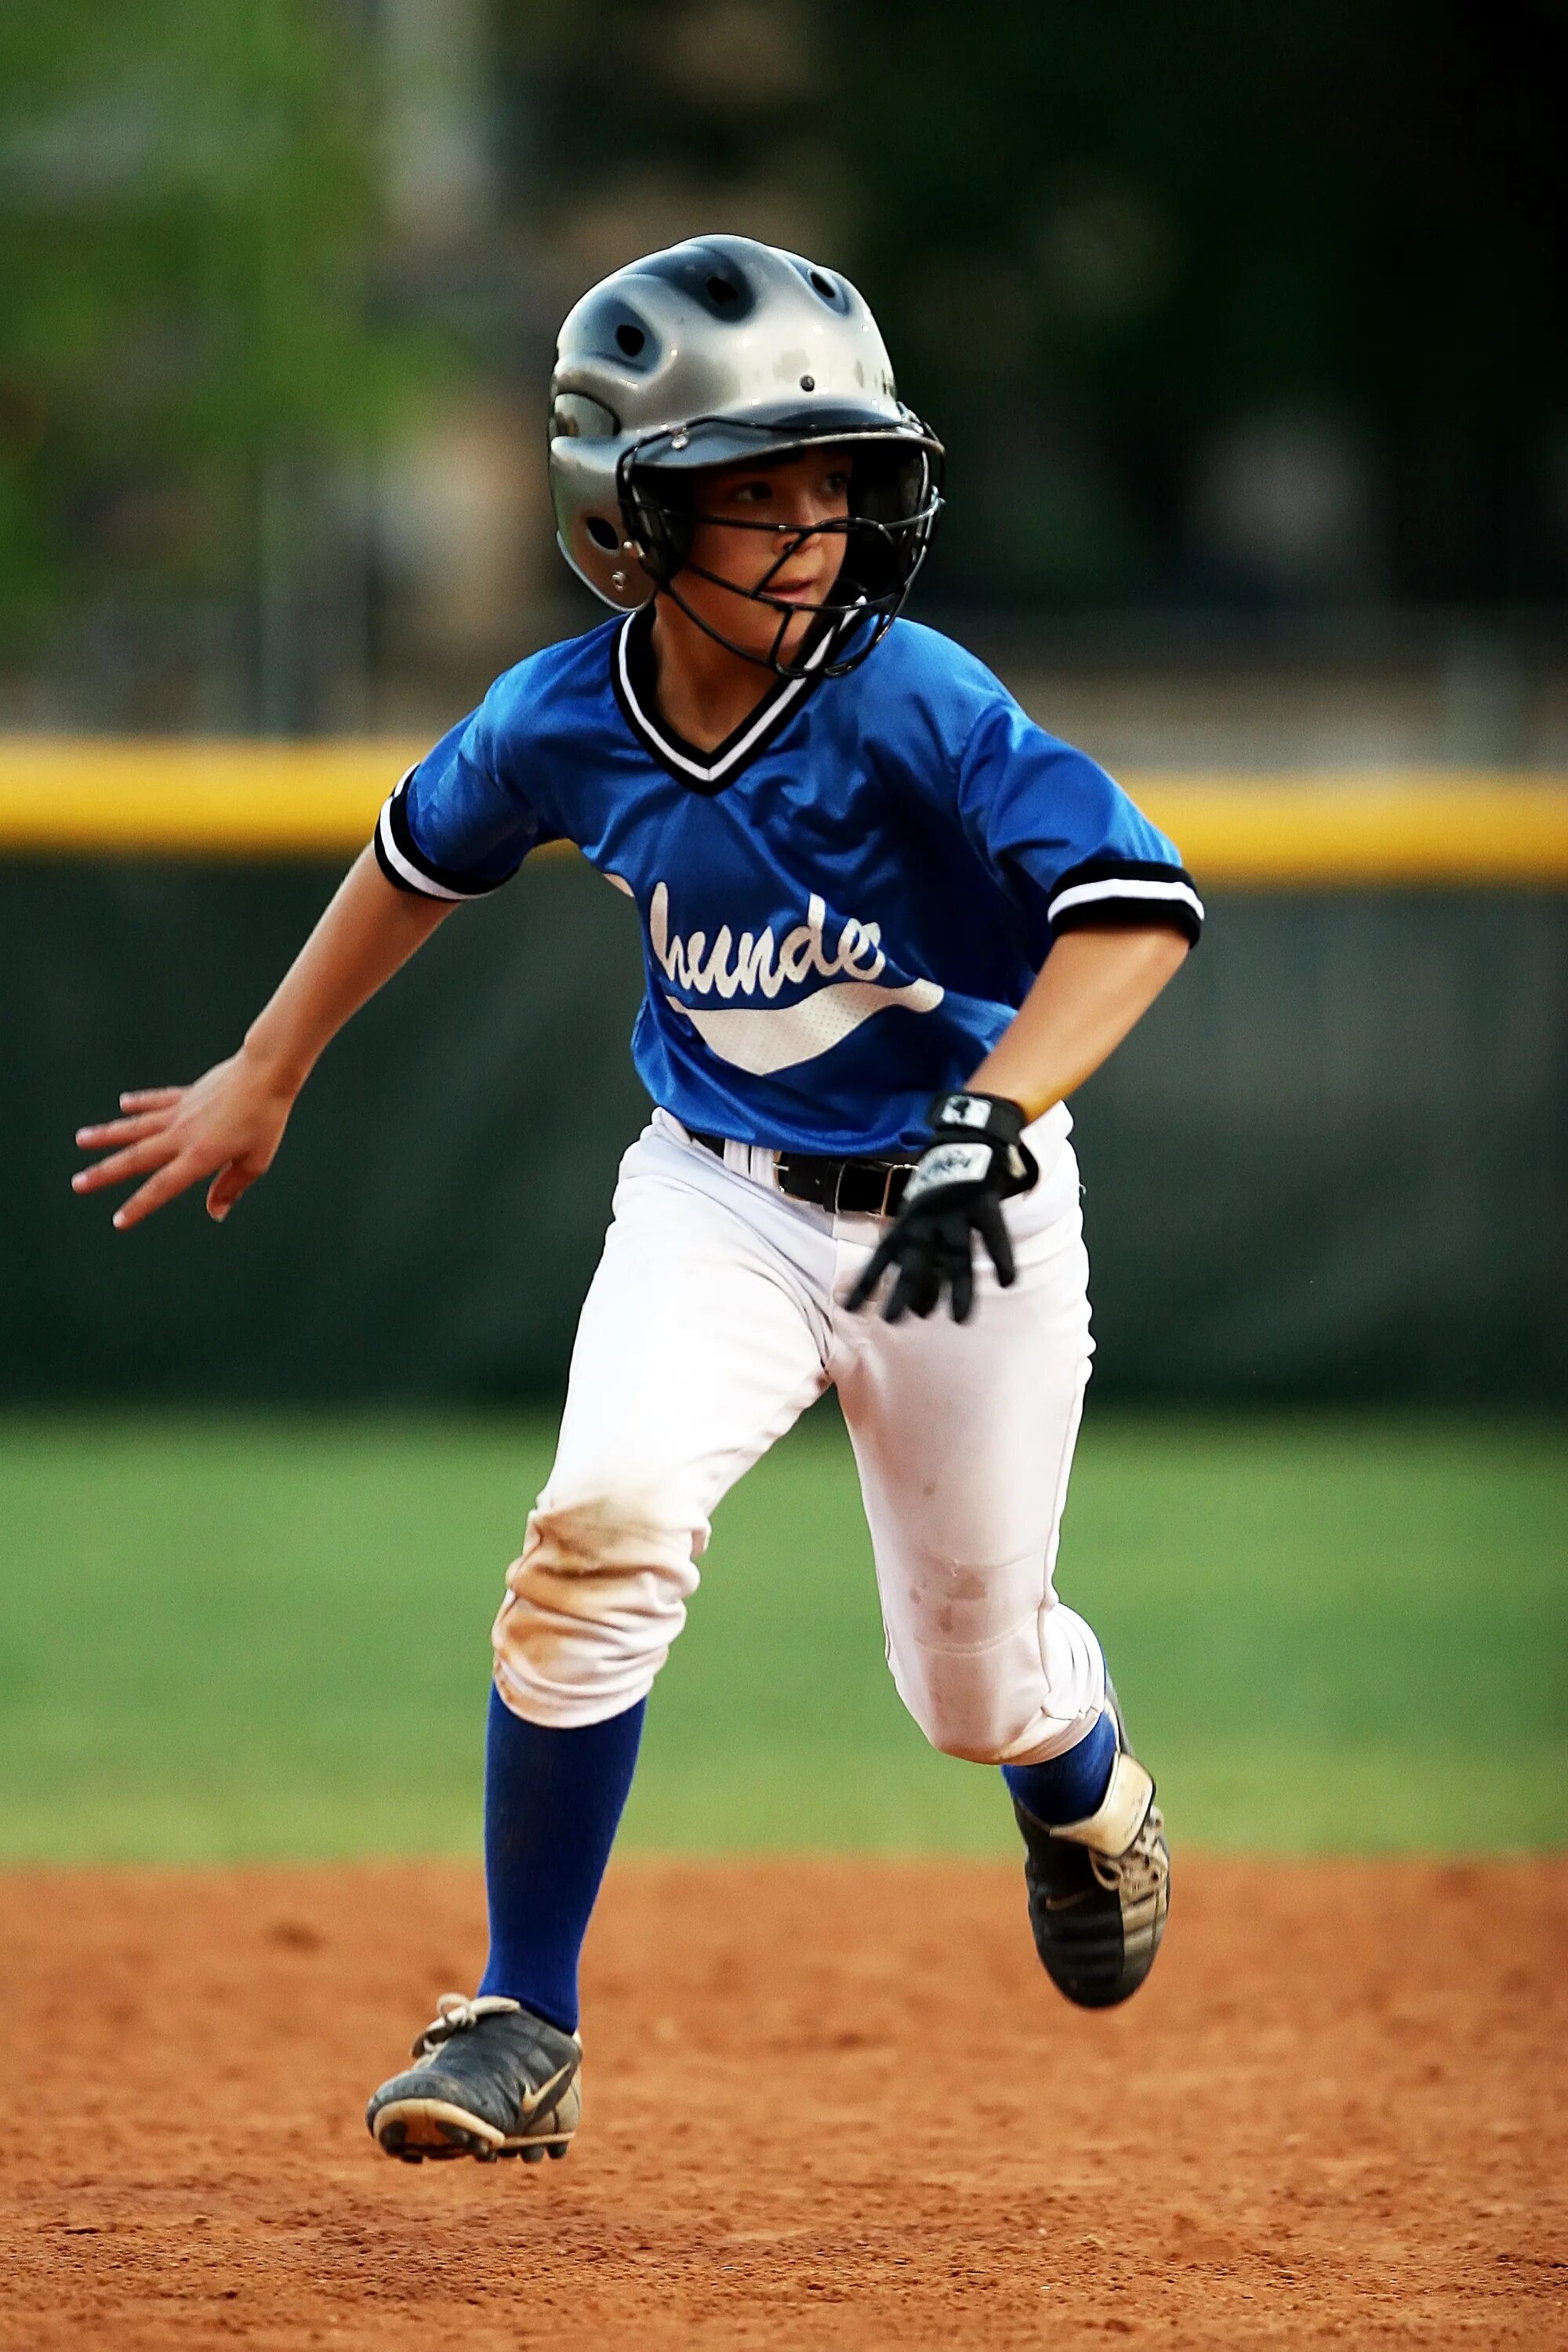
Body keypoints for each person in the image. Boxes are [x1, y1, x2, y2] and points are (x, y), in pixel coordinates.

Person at [74, 237, 1203, 2167]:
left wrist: (995, 1114)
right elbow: (413, 853)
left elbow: (1135, 910)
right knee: (597, 1530)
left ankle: (1080, 1779)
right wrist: (270, 1064)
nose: (812, 533)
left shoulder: (915, 698)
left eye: (835, 484)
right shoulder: (561, 717)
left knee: (971, 1688)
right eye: (753, 495)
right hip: (719, 1201)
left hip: (964, 1212)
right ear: (629, 516)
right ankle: (524, 2016)